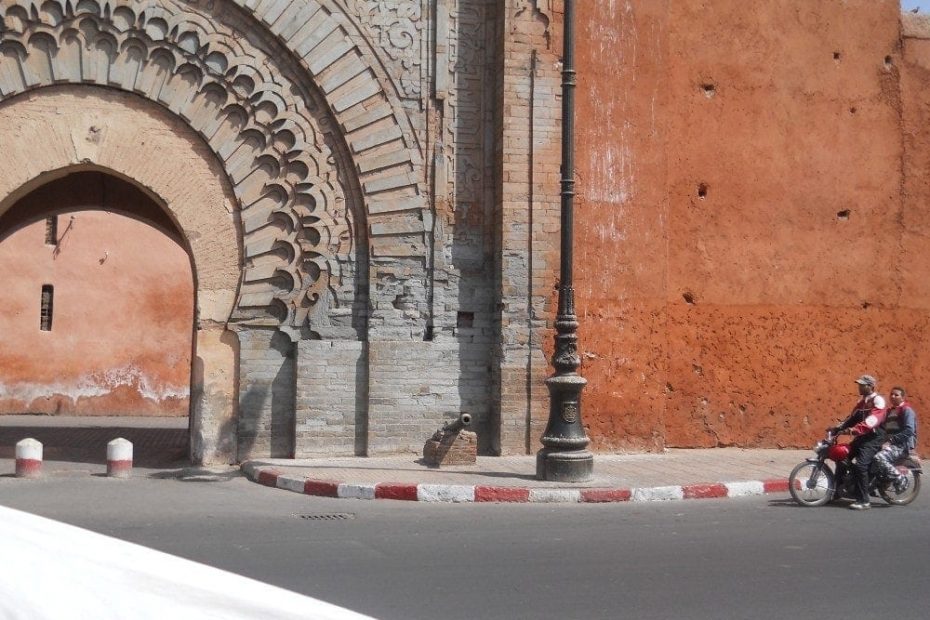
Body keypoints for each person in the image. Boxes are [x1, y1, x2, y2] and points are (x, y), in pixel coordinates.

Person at [832, 374, 887, 510]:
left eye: (862, 385)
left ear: (871, 386)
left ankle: (864, 500)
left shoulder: (878, 400)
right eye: (859, 384)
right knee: (842, 458)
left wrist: (854, 430)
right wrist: (838, 428)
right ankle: (836, 492)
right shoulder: (862, 401)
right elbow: (852, 418)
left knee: (861, 466)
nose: (859, 387)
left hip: (874, 438)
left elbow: (872, 421)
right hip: (863, 437)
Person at [872, 386, 918, 493]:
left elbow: (909, 430)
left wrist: (891, 441)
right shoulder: (889, 411)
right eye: (891, 394)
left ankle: (899, 478)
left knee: (879, 458)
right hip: (889, 444)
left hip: (901, 446)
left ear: (902, 398)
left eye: (896, 395)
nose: (893, 396)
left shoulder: (907, 410)